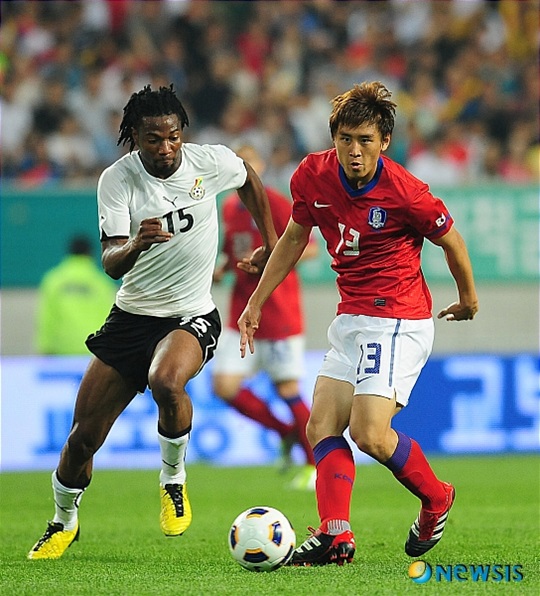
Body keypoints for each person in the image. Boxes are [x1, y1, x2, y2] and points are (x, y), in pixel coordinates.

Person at [28, 84, 278, 560]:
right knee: (81, 441)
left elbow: (247, 175)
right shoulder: (117, 180)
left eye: (173, 136)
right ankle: (63, 521)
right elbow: (110, 261)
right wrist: (135, 244)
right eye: (153, 139)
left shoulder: (207, 161)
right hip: (131, 318)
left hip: (191, 313)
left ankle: (173, 480)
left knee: (166, 380)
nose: (166, 148)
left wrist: (269, 241)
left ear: (183, 133)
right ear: (135, 138)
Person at [238, 81, 478, 566]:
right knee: (321, 426)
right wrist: (256, 301)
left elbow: (451, 241)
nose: (354, 150)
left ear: (384, 141)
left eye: (365, 140)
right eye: (345, 139)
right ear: (334, 138)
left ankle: (437, 497)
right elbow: (293, 237)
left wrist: (468, 299)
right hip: (351, 317)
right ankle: (336, 535)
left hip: (397, 317)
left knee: (369, 434)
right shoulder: (312, 175)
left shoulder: (407, 191)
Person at [212, 144, 317, 490]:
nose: (245, 171)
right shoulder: (230, 207)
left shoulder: (276, 202)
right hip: (241, 312)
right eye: (239, 164)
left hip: (278, 311)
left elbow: (309, 248)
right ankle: (285, 431)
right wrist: (222, 269)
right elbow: (232, 251)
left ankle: (313, 464)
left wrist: (272, 259)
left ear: (260, 167)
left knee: (287, 389)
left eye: (250, 163)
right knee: (224, 386)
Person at [35, 235, 117, 355]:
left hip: (62, 352)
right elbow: (109, 316)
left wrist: (45, 347)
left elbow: (48, 317)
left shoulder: (53, 280)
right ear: (90, 253)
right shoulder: (101, 282)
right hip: (94, 350)